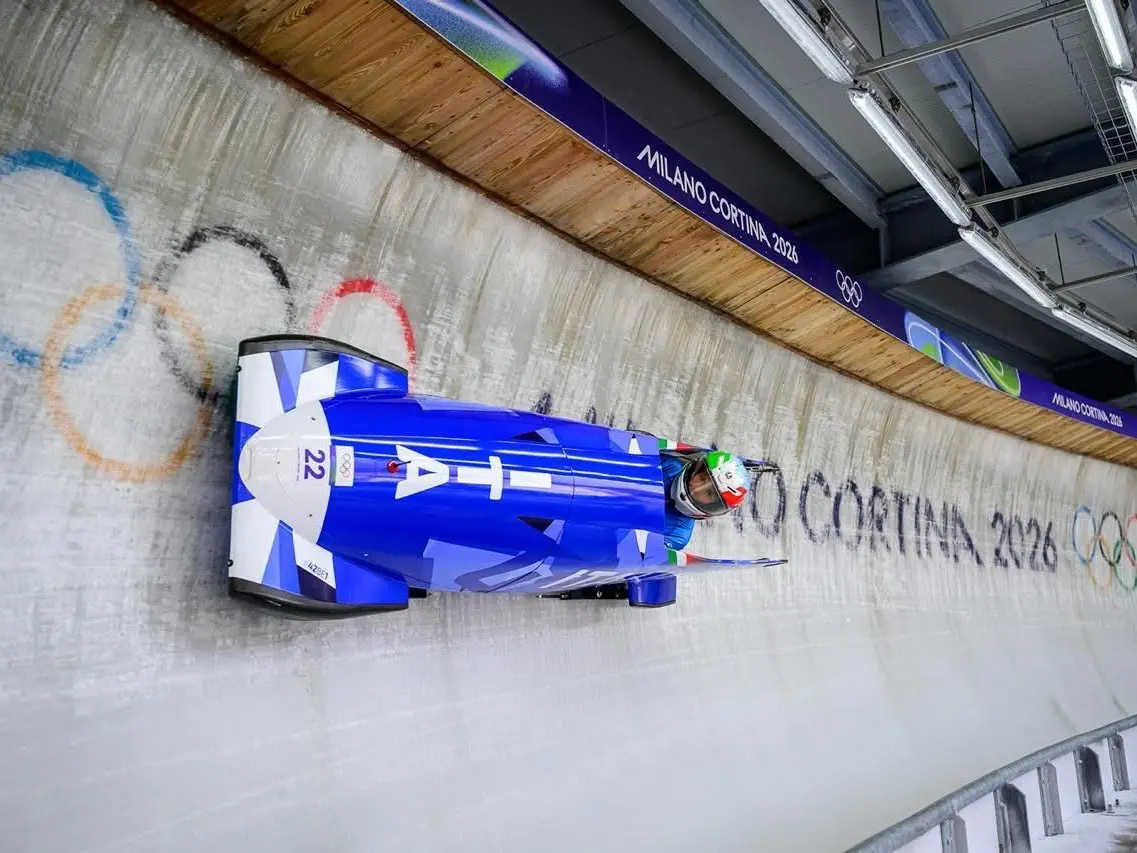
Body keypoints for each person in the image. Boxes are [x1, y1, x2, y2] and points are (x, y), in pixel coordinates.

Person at [659, 448, 750, 550]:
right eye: (702, 478)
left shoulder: (678, 535)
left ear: (713, 505)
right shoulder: (669, 466)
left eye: (709, 493)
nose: (697, 489)